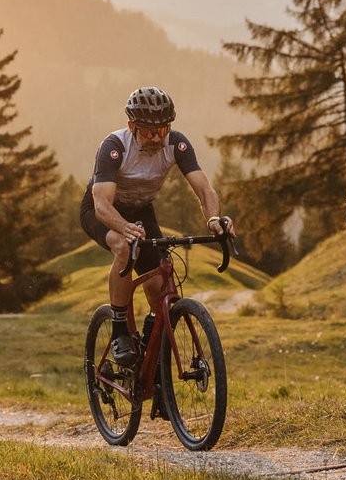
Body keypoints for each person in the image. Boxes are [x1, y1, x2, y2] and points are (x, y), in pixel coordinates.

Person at [79, 86, 232, 370]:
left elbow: (204, 189)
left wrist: (213, 219)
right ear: (132, 127)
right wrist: (124, 227)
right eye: (149, 132)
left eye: (162, 130)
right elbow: (101, 204)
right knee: (123, 247)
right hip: (102, 212)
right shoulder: (114, 146)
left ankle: (152, 355)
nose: (156, 138)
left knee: (158, 284)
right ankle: (120, 331)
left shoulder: (177, 144)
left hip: (141, 211)